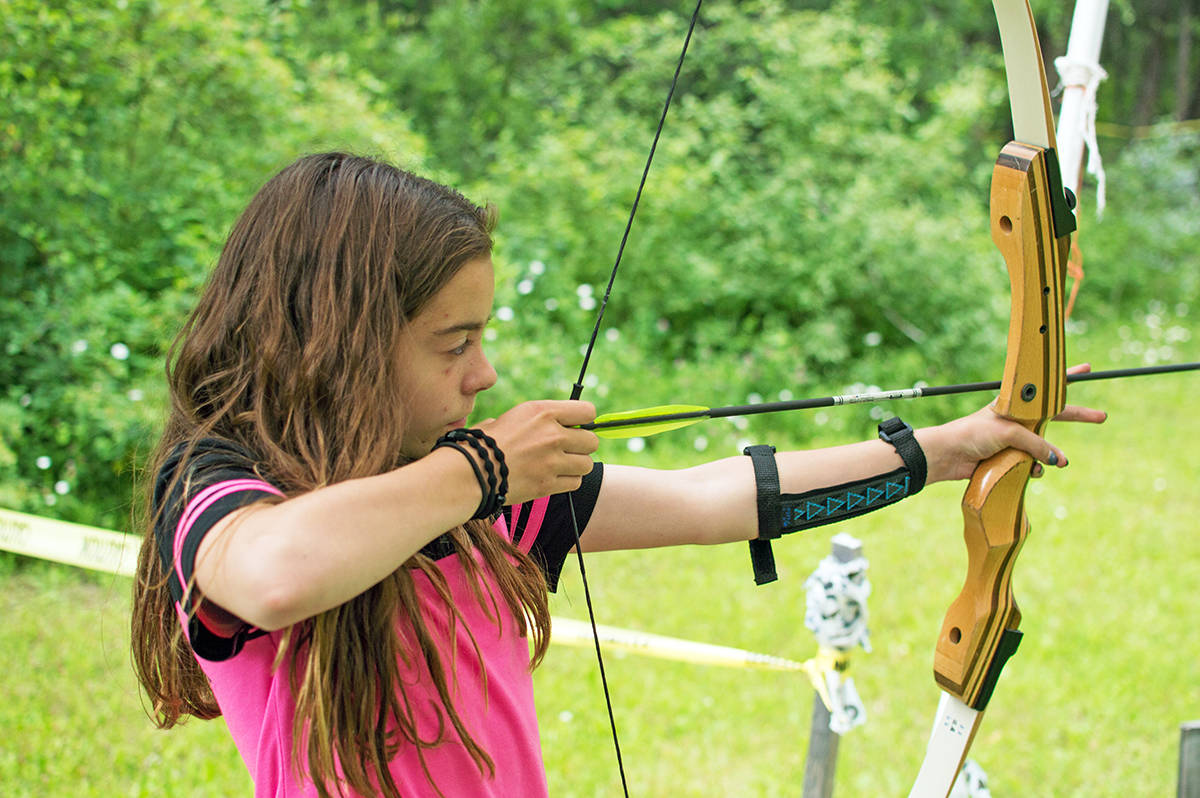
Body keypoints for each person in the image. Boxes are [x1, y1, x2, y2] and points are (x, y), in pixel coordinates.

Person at [130, 152, 1104, 798]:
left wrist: (943, 450)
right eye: (452, 344)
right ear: (337, 346)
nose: (485, 375)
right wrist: (484, 469)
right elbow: (273, 575)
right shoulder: (219, 483)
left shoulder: (485, 501)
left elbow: (715, 498)